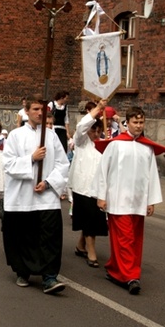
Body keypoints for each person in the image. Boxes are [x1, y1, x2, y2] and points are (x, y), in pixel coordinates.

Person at [93, 106, 165, 295]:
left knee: (134, 239)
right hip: (118, 199)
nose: (138, 126)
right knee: (124, 238)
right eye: (135, 122)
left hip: (138, 201)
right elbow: (103, 170)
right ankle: (131, 276)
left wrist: (151, 201)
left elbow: (152, 175)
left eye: (141, 122)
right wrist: (101, 196)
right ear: (127, 123)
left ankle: (115, 268)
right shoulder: (116, 145)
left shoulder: (147, 147)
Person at [1, 95, 69, 294]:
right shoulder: (15, 135)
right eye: (36, 109)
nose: (40, 113)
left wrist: (48, 183)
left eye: (43, 110)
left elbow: (62, 163)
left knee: (50, 236)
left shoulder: (51, 135)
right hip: (23, 197)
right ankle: (23, 271)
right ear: (27, 111)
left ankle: (50, 277)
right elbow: (9, 164)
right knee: (24, 236)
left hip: (46, 196)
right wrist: (31, 158)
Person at [67, 100, 108, 268]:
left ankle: (80, 245)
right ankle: (91, 253)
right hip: (82, 187)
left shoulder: (104, 146)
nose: (96, 133)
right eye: (93, 130)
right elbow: (81, 127)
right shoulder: (81, 141)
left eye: (99, 130)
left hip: (98, 189)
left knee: (92, 219)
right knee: (91, 220)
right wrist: (98, 109)